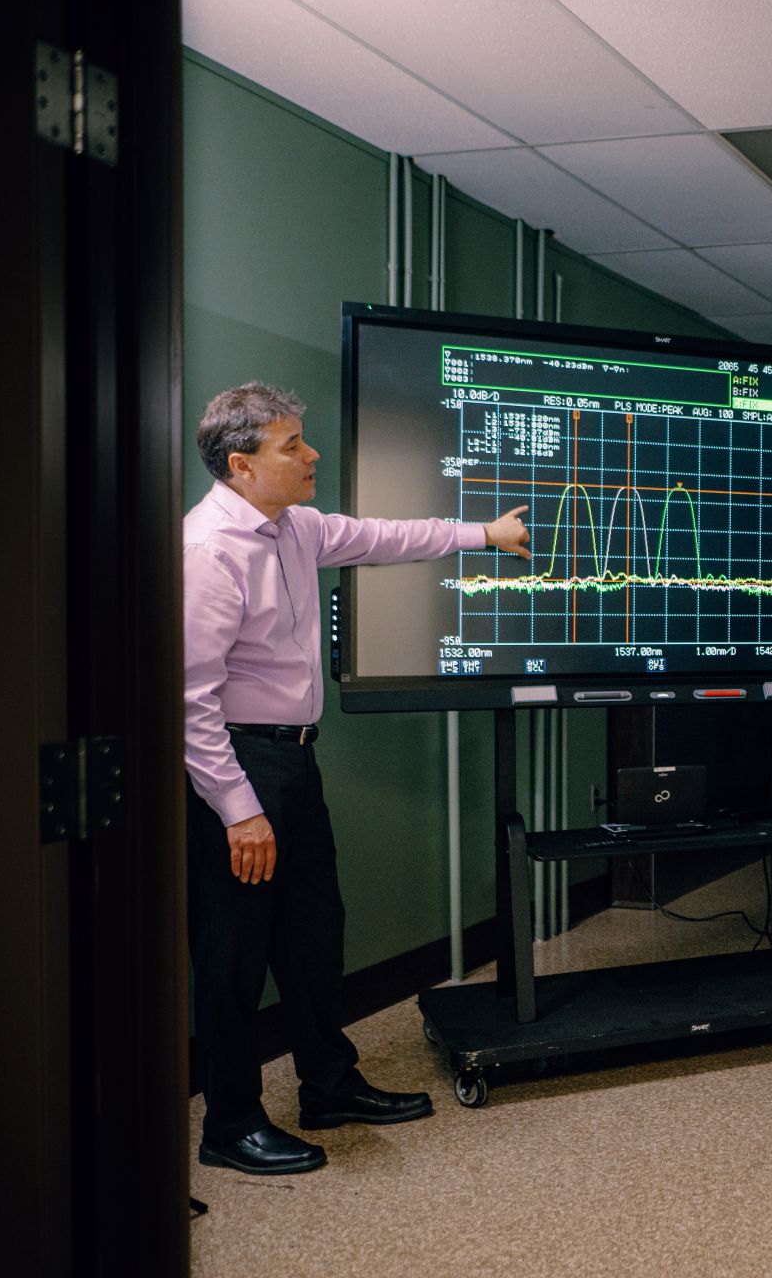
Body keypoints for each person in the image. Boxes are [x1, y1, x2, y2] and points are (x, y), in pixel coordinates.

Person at [184, 382, 531, 1175]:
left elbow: (382, 535)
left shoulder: (295, 526)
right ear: (241, 465)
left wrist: (482, 533)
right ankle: (229, 1125)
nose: (310, 457)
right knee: (233, 956)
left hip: (295, 761)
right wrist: (239, 811)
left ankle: (328, 1084)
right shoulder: (206, 552)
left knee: (313, 934)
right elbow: (189, 707)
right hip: (237, 770)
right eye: (291, 447)